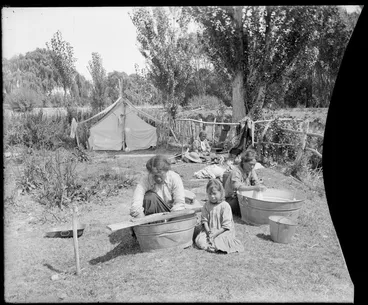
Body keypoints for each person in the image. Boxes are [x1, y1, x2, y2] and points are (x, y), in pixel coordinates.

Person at [195, 179, 244, 254]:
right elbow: (204, 221)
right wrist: (209, 232)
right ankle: (208, 246)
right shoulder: (206, 205)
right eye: (209, 194)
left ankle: (215, 246)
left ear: (220, 193)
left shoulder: (225, 206)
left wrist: (215, 234)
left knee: (220, 240)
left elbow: (226, 226)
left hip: (222, 231)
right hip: (210, 230)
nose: (212, 196)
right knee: (199, 240)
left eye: (214, 194)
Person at [223, 149, 266, 217]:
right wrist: (254, 188)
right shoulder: (236, 172)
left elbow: (256, 181)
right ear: (243, 162)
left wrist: (260, 185)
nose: (252, 167)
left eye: (254, 165)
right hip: (232, 199)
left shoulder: (251, 170)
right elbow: (237, 187)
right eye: (250, 164)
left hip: (243, 196)